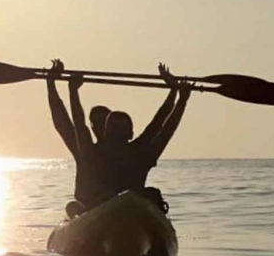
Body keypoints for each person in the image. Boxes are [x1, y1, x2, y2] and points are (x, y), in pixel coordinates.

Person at [80, 63, 192, 212]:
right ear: (105, 133)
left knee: (153, 194)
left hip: (135, 210)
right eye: (114, 128)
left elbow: (164, 128)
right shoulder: (92, 154)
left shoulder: (141, 156)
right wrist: (68, 90)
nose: (117, 132)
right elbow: (76, 122)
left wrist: (180, 99)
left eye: (121, 128)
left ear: (130, 135)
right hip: (103, 209)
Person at [46, 58, 102, 213]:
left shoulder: (132, 150)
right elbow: (62, 121)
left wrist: (174, 93)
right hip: (88, 207)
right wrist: (51, 83)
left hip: (119, 206)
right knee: (73, 208)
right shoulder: (85, 151)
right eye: (98, 123)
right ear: (93, 128)